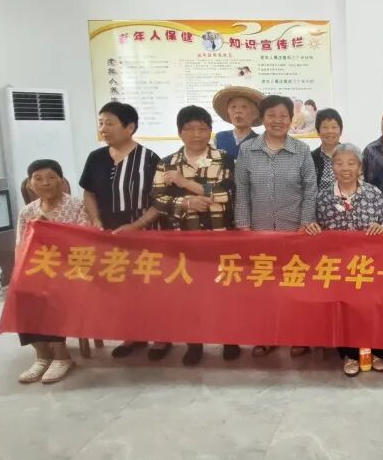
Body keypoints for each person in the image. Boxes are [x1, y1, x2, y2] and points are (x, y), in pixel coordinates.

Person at [151, 106, 236, 366]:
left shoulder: (225, 158)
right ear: (180, 133)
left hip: (220, 237)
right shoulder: (167, 162)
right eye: (189, 129)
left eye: (202, 128)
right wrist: (187, 203)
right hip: (183, 240)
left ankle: (230, 340)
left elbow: (226, 194)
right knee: (189, 294)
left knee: (224, 292)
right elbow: (158, 198)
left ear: (210, 131)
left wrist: (185, 184)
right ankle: (194, 343)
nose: (196, 134)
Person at [235, 95, 318, 358]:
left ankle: (299, 337)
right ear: (262, 118)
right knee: (264, 288)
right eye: (271, 115)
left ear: (291, 119)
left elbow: (311, 190)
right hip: (259, 232)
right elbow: (242, 190)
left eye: (283, 115)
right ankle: (266, 336)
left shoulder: (301, 150)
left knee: (295, 286)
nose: (277, 120)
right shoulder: (247, 150)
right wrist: (244, 227)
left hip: (293, 231)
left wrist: (304, 225)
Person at [79, 102, 164, 360]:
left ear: (130, 127)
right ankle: (133, 335)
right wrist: (96, 221)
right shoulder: (96, 158)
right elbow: (89, 193)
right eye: (101, 123)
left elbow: (161, 200)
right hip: (110, 236)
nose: (104, 128)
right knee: (121, 287)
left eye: (110, 123)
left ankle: (162, 337)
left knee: (151, 288)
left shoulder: (150, 159)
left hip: (145, 234)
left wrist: (136, 226)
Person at [305, 144, 383, 377]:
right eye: (339, 163)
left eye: (351, 163)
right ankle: (350, 354)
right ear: (333, 167)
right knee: (344, 311)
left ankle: (377, 352)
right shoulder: (323, 197)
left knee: (372, 309)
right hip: (339, 268)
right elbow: (314, 227)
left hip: (370, 266)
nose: (345, 168)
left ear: (360, 167)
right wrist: (312, 228)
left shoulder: (373, 193)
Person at [15, 159, 90, 384]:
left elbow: (85, 242)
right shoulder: (27, 211)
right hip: (40, 269)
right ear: (30, 184)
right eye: (38, 179)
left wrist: (50, 228)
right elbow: (21, 247)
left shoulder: (78, 205)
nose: (45, 183)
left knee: (52, 291)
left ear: (61, 180)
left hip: (73, 269)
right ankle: (42, 355)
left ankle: (62, 356)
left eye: (51, 177)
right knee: (22, 293)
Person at [212, 86, 264, 159]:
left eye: (244, 107)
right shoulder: (219, 138)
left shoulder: (260, 142)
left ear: (255, 114)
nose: (238, 111)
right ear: (228, 113)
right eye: (233, 107)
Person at [312, 108, 343, 190]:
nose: (330, 131)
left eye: (334, 127)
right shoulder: (310, 158)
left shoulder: (351, 155)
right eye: (325, 127)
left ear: (340, 131)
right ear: (318, 131)